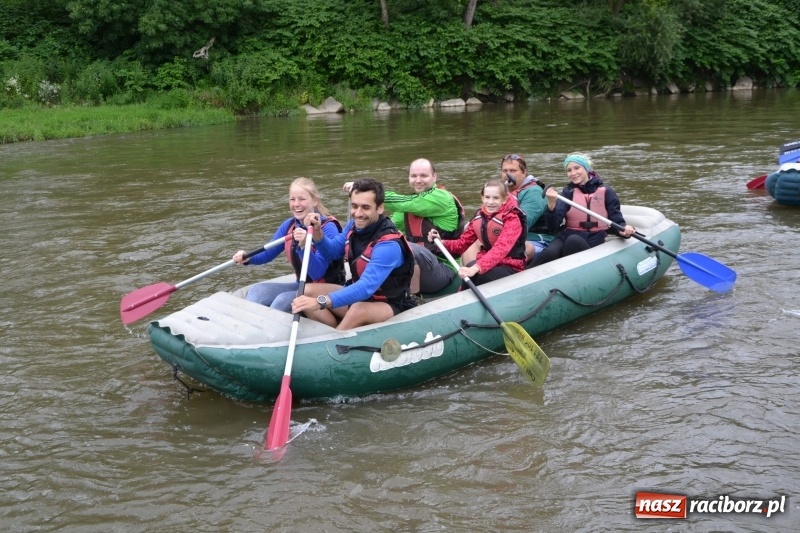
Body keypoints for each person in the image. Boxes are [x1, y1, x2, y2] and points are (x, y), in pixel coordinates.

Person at [292, 178, 417, 330]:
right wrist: (318, 233)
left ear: (380, 208)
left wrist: (320, 301)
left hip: (390, 303)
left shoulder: (388, 245)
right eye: (354, 206)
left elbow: (366, 287)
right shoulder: (353, 225)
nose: (358, 213)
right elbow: (332, 252)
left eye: (365, 207)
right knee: (305, 291)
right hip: (361, 298)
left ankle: (337, 337)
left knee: (358, 309)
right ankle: (332, 331)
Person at [344, 158, 464, 295]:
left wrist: (367, 194)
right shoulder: (410, 204)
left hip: (444, 270)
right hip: (420, 266)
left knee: (402, 245)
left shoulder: (441, 198)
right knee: (381, 241)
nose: (418, 180)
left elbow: (404, 203)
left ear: (434, 177)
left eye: (423, 176)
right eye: (413, 176)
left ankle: (411, 299)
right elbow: (386, 226)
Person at [232, 177, 344, 312]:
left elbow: (317, 273)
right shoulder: (289, 225)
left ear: (315, 201)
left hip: (325, 289)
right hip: (301, 285)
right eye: (292, 199)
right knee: (257, 291)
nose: (296, 204)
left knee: (282, 300)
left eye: (302, 199)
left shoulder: (328, 228)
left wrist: (303, 247)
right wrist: (248, 258)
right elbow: (268, 253)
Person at [529, 153, 635, 267]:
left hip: (592, 242)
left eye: (577, 168)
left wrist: (624, 231)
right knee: (550, 252)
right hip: (566, 236)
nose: (573, 173)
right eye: (569, 170)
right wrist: (551, 204)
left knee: (573, 241)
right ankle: (523, 274)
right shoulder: (567, 193)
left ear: (586, 168)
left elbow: (617, 222)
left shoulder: (607, 192)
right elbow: (552, 227)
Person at [428, 178, 526, 286]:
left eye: (496, 198)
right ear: (482, 198)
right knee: (469, 274)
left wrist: (476, 268)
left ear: (504, 199)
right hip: (485, 263)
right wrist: (441, 242)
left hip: (511, 265)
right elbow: (461, 244)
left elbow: (500, 249)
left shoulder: (512, 219)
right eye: (487, 197)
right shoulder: (480, 216)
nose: (490, 202)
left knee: (482, 276)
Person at [461, 153, 553, 265]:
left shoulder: (534, 192)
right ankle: (472, 272)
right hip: (503, 237)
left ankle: (489, 270)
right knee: (472, 241)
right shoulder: (499, 193)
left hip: (535, 241)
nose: (508, 174)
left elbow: (521, 225)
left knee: (517, 247)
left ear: (524, 172)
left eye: (513, 171)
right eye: (505, 171)